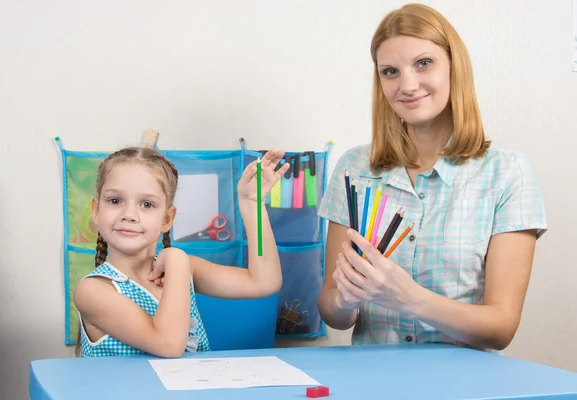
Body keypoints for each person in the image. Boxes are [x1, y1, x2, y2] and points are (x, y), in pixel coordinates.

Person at [317, 3, 547, 352]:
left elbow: (501, 326)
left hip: (463, 385)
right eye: (390, 71)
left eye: (423, 63)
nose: (408, 85)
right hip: (372, 379)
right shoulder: (354, 169)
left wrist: (408, 298)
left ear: (454, 65)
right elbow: (332, 311)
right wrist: (345, 300)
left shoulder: (507, 173)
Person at [73, 146, 289, 357]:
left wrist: (253, 204)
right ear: (96, 210)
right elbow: (168, 345)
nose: (129, 214)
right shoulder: (92, 291)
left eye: (147, 204)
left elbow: (264, 282)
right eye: (115, 201)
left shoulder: (186, 269)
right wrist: (177, 261)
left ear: (167, 219)